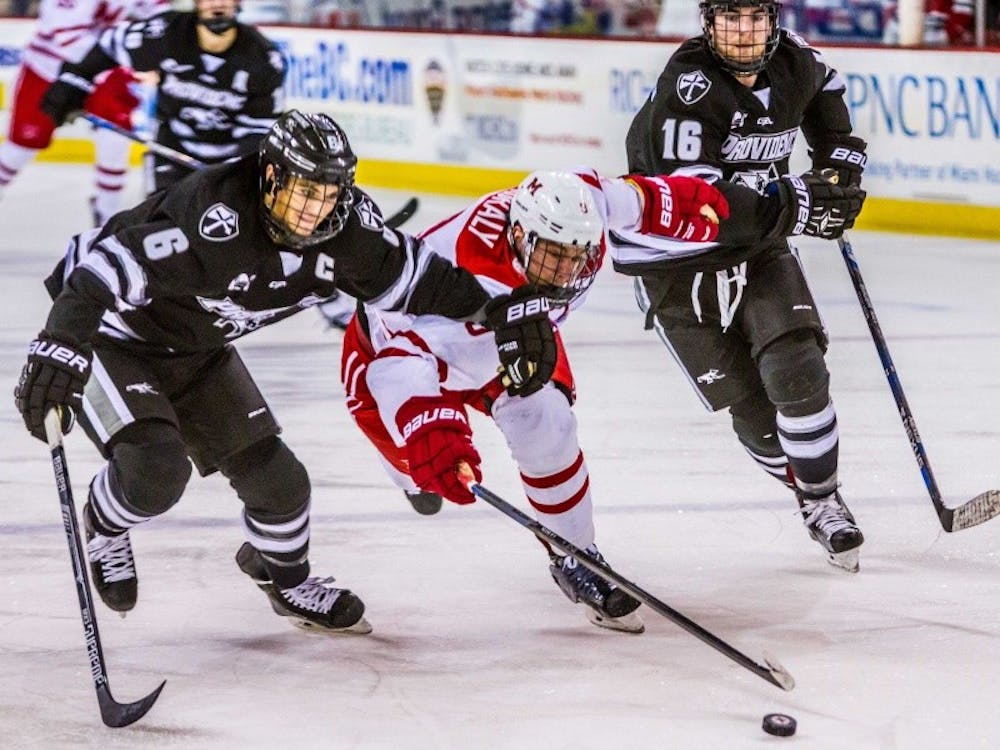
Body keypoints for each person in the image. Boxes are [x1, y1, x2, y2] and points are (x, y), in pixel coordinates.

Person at [13, 110, 554, 635]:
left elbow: (422, 281)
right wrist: (61, 345)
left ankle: (286, 582)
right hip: (116, 335)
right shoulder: (213, 221)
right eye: (303, 190)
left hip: (198, 349)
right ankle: (105, 527)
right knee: (156, 472)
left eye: (328, 193)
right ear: (271, 177)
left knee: (281, 485)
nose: (314, 209)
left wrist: (498, 311)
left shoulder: (349, 234)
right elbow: (101, 269)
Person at [340, 167, 731, 631]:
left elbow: (632, 198)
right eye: (553, 257)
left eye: (577, 258)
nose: (566, 272)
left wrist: (680, 204)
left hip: (509, 336)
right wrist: (431, 430)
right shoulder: (463, 267)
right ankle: (406, 478)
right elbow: (398, 364)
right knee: (422, 468)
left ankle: (576, 557)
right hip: (397, 349)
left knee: (548, 424)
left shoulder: (580, 212)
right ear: (519, 235)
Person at [623, 0, 869, 572]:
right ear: (708, 23)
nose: (743, 30)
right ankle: (804, 489)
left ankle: (824, 501)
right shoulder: (686, 89)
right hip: (676, 261)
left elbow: (827, 89)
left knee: (798, 370)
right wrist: (799, 202)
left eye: (754, 16)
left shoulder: (795, 61)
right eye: (730, 17)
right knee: (753, 412)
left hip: (758, 246)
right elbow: (700, 205)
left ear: (772, 19)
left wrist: (837, 166)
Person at [39, 0, 285, 202]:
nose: (218, 3)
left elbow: (258, 132)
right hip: (172, 150)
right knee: (161, 231)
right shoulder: (165, 33)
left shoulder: (263, 59)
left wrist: (231, 174)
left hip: (230, 165)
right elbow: (108, 46)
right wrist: (72, 83)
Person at [0, 0, 170, 226]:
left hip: (102, 66)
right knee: (22, 145)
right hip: (48, 69)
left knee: (116, 133)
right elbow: (68, 38)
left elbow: (162, 16)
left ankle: (107, 215)